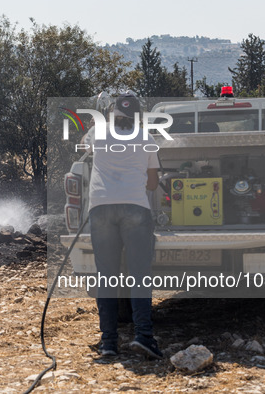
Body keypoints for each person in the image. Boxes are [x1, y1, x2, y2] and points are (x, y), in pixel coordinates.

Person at [87, 92, 163, 359]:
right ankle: (143, 336)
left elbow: (88, 152)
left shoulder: (96, 133)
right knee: (139, 274)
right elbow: (153, 184)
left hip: (100, 208)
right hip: (135, 208)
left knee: (106, 275)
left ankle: (108, 342)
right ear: (137, 115)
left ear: (114, 113)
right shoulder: (147, 138)